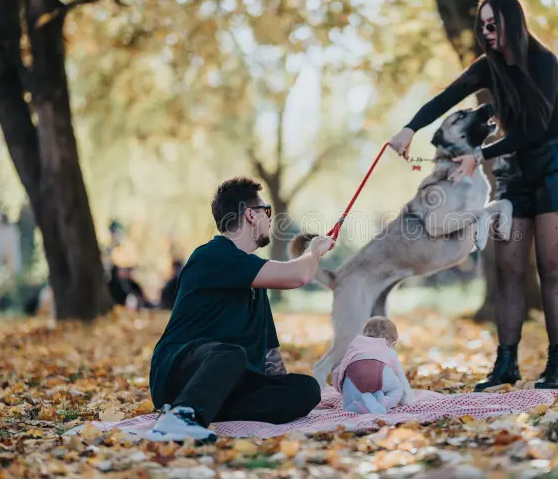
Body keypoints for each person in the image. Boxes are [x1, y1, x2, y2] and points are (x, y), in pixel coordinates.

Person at [388, 0, 558, 393]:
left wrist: (479, 155)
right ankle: (506, 364)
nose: (486, 32)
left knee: (550, 269)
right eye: (482, 25)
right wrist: (410, 127)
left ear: (512, 24)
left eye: (492, 24)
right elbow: (446, 97)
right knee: (508, 269)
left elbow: (535, 128)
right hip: (515, 173)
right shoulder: (488, 67)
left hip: (556, 168)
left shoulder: (544, 63)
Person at [146, 176, 336, 442]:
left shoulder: (255, 277)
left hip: (228, 382)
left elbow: (270, 355)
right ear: (250, 215)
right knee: (231, 354)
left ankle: (203, 411)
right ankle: (181, 417)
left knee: (306, 389)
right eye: (266, 211)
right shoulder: (212, 255)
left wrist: (284, 389)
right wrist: (314, 251)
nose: (270, 219)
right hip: (179, 371)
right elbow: (299, 276)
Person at [332, 316, 416, 414]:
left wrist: (341, 386)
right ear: (391, 343)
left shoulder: (356, 344)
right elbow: (400, 376)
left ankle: (354, 406)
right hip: (378, 371)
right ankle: (380, 402)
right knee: (397, 387)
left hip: (354, 371)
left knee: (349, 399)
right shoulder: (388, 349)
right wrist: (407, 399)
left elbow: (343, 366)